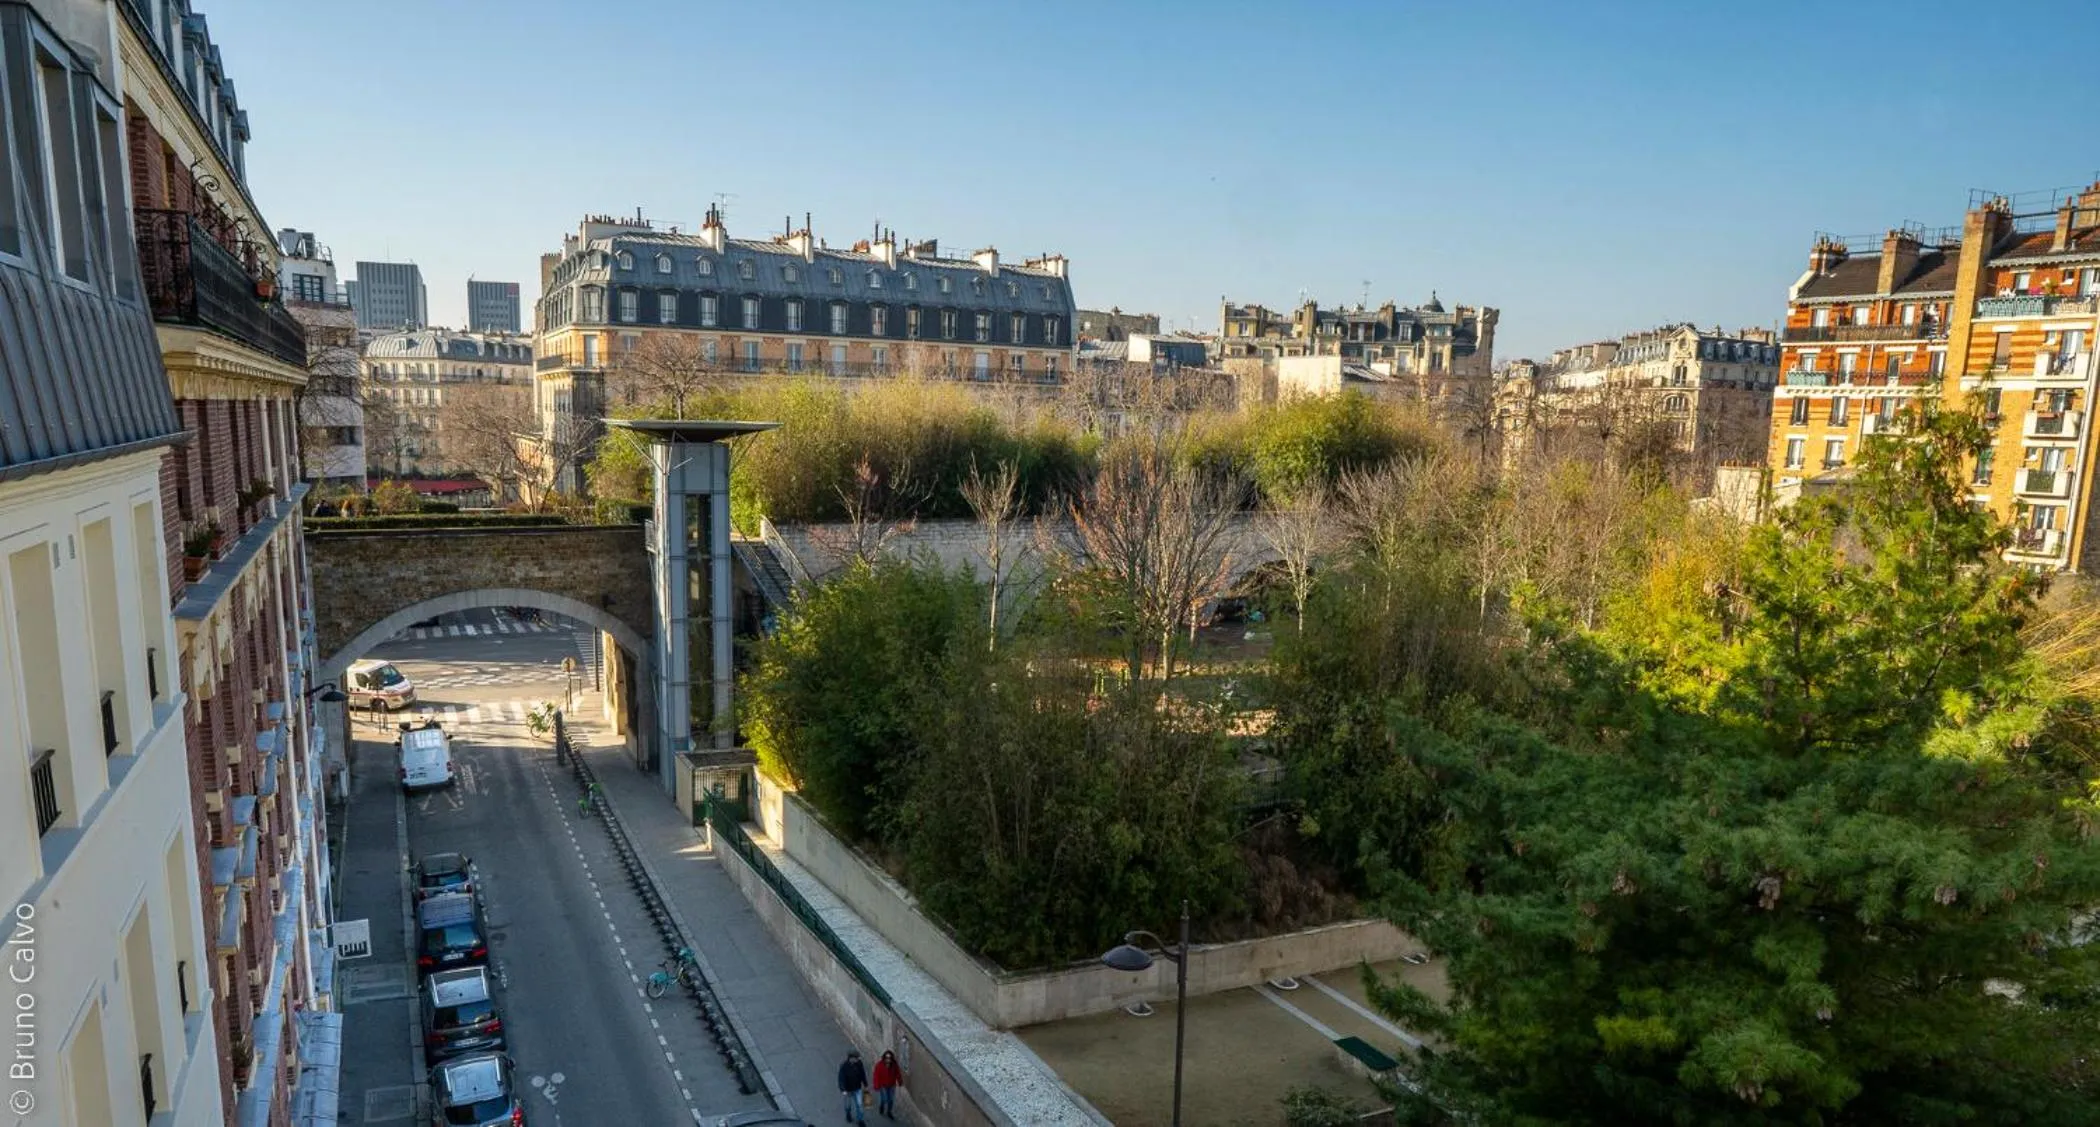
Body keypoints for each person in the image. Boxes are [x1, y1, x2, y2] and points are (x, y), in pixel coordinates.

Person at [837, 1050, 868, 1124]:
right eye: (857, 1058)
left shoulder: (859, 1064)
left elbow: (862, 1074)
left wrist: (865, 1084)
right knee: (848, 1104)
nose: (858, 1059)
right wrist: (843, 1089)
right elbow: (841, 1078)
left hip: (857, 1088)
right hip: (848, 1089)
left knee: (859, 1105)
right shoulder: (844, 1066)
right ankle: (848, 1114)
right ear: (851, 1058)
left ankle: (860, 1120)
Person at [871, 1049, 901, 1119]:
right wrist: (876, 1085)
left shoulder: (894, 1064)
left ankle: (889, 1112)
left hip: (892, 1085)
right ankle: (882, 1106)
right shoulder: (879, 1065)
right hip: (883, 1085)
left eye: (890, 1058)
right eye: (887, 1058)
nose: (888, 1059)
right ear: (884, 1058)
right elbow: (876, 1076)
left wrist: (900, 1081)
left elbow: (897, 1073)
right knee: (884, 1099)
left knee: (891, 1100)